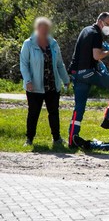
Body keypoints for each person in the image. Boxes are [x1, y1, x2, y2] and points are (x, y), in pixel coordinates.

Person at [67, 12, 109, 149]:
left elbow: (85, 53)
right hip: (88, 73)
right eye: (108, 24)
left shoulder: (85, 30)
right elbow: (96, 55)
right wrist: (107, 52)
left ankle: (72, 138)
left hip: (76, 74)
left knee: (79, 107)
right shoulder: (96, 34)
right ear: (100, 22)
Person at [19, 17, 70, 147]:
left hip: (52, 84)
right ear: (37, 29)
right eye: (42, 28)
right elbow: (24, 64)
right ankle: (29, 139)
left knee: (54, 112)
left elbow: (59, 64)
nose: (45, 31)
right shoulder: (28, 44)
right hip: (34, 86)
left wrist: (66, 79)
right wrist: (28, 80)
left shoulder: (53, 43)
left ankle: (57, 138)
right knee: (33, 112)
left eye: (47, 28)